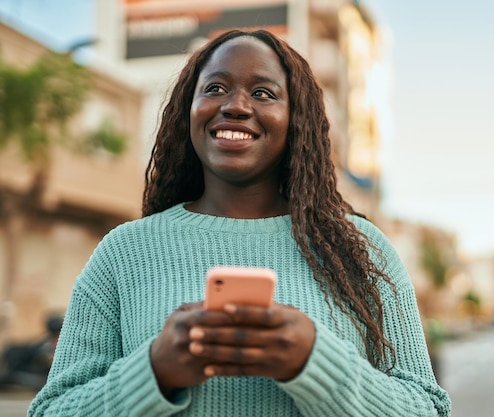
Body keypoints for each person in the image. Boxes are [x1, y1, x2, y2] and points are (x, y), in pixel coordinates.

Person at [28, 29, 451, 416]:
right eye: (215, 88)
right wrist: (155, 371)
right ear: (188, 110)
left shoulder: (361, 249)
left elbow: (427, 409)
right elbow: (49, 411)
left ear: (296, 118)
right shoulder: (124, 252)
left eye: (264, 93)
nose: (235, 106)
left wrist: (316, 362)